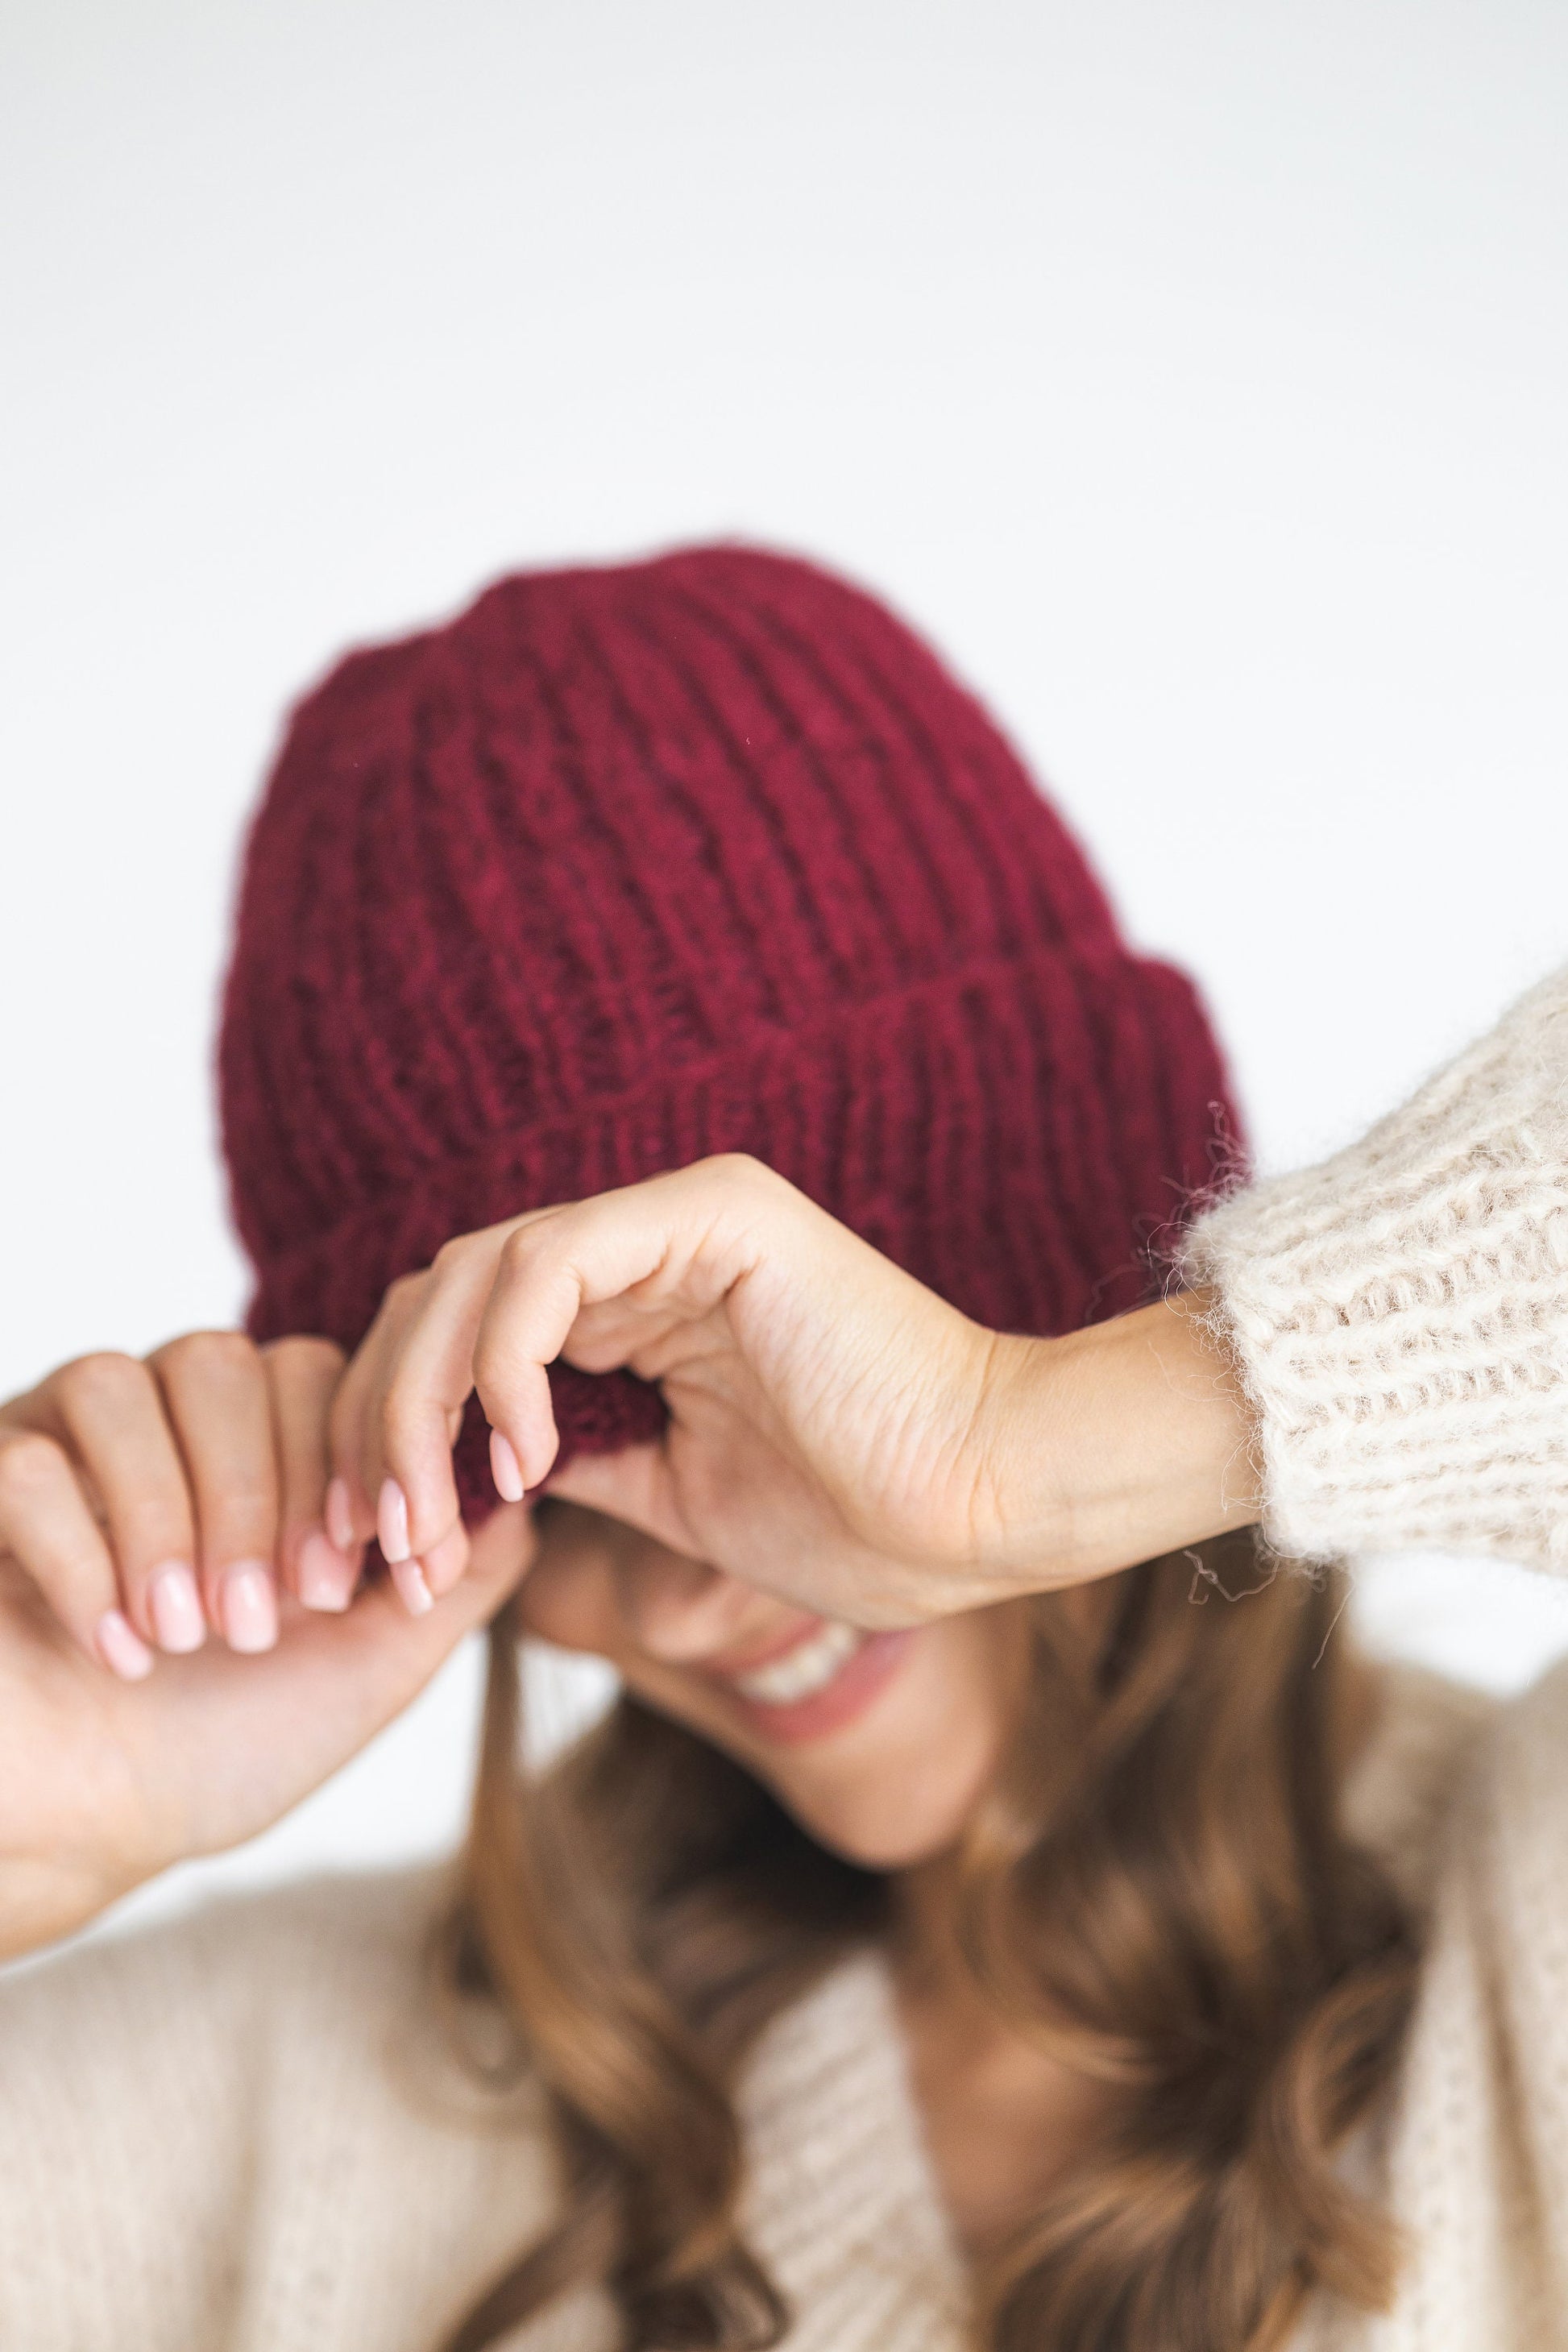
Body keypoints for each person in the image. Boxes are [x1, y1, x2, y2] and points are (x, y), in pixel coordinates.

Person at [0, 547, 1563, 2352]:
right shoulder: (313, 2100)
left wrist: (1015, 1457)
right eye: (537, 1459)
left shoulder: (1519, 1928)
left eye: (762, 1389)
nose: (680, 1589)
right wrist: (37, 1807)